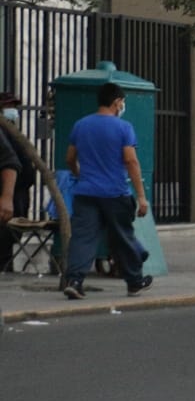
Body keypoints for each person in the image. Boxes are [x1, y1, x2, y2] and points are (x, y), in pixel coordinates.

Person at [61, 82, 154, 299]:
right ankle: (134, 281)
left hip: (86, 192)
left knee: (83, 238)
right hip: (115, 193)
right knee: (123, 236)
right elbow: (131, 161)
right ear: (116, 102)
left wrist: (79, 174)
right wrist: (141, 196)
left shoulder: (81, 125)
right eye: (122, 102)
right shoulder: (124, 128)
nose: (123, 106)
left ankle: (75, 281)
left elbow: (70, 158)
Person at [1, 92, 38, 270]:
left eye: (14, 107)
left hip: (18, 194)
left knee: (9, 238)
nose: (12, 111)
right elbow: (10, 162)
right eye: (7, 107)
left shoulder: (13, 133)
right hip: (9, 193)